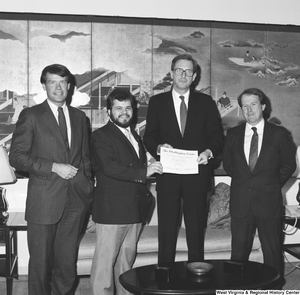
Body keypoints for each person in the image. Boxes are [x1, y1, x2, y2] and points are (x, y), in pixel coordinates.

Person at [9, 64, 94, 295]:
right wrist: (54, 167)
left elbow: (85, 158)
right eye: (52, 82)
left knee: (67, 266)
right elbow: (16, 157)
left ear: (70, 85)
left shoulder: (79, 117)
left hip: (75, 202)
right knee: (40, 267)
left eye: (62, 82)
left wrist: (87, 187)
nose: (58, 87)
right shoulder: (32, 115)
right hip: (44, 201)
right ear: (44, 85)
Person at [143, 54, 224, 264]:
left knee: (196, 232)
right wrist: (159, 148)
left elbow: (216, 136)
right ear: (171, 73)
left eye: (188, 71)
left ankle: (195, 277)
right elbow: (149, 137)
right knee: (167, 231)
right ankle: (165, 275)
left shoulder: (206, 102)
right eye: (179, 70)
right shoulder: (157, 102)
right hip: (168, 176)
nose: (183, 75)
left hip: (197, 176)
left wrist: (208, 152)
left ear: (194, 76)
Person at [90, 87, 163, 295]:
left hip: (134, 208)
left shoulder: (134, 135)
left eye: (128, 107)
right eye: (118, 108)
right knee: (104, 267)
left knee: (125, 264)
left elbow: (135, 164)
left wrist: (154, 162)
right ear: (108, 112)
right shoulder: (100, 136)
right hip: (112, 210)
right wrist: (145, 169)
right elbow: (109, 166)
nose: (124, 112)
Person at [223, 88, 296, 274]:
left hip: (268, 202)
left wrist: (270, 184)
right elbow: (229, 166)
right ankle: (237, 290)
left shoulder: (279, 134)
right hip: (241, 204)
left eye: (253, 104)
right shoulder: (232, 135)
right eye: (244, 106)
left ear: (263, 106)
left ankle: (273, 290)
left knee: (272, 253)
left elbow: (289, 165)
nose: (249, 110)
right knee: (238, 255)